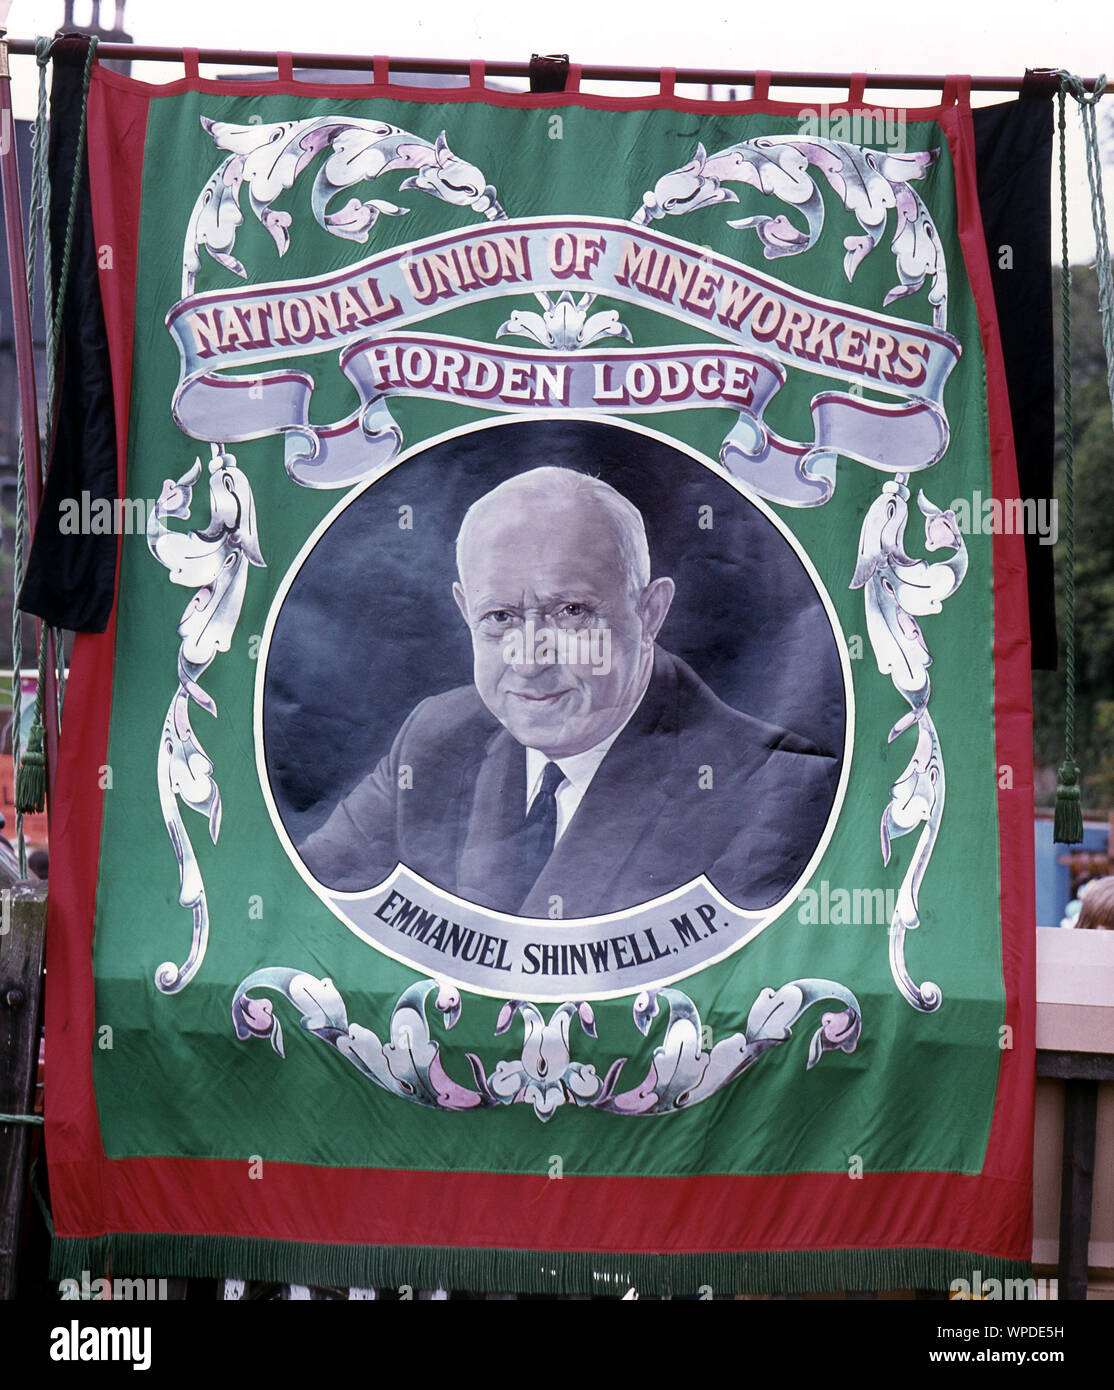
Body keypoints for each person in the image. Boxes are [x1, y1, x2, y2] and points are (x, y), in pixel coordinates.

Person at [297, 466, 840, 917]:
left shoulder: (777, 791)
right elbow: (300, 910)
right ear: (465, 612)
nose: (530, 660)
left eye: (571, 612)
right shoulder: (435, 737)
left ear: (649, 613)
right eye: (500, 617)